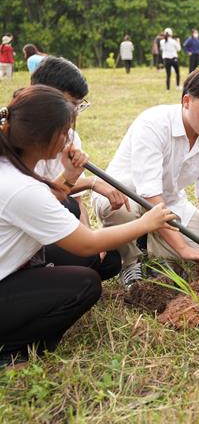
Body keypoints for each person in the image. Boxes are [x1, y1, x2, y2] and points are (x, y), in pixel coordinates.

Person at [0, 85, 175, 366]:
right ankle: (10, 350)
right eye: (66, 131)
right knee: (86, 283)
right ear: (47, 137)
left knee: (100, 262)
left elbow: (47, 201)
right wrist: (145, 222)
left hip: (11, 264)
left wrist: (70, 176)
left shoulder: (11, 163)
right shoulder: (19, 185)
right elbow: (87, 242)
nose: (70, 138)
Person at [93, 66, 199, 289]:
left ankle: (146, 239)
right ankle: (130, 260)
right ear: (187, 101)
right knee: (120, 209)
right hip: (127, 197)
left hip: (169, 204)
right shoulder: (153, 124)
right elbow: (148, 194)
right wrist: (182, 248)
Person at [31, 56, 130, 280]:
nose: (75, 114)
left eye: (79, 105)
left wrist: (88, 236)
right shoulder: (20, 136)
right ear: (43, 95)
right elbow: (37, 200)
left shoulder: (70, 137)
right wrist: (90, 182)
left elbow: (76, 202)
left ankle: (51, 268)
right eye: (71, 104)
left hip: (50, 219)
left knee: (108, 261)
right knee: (86, 278)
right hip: (25, 228)